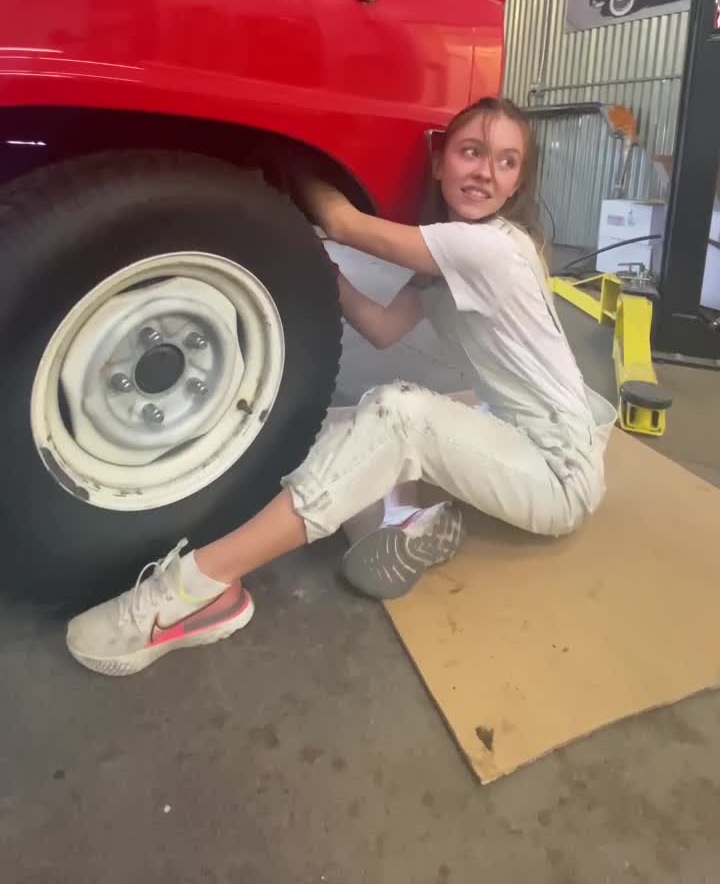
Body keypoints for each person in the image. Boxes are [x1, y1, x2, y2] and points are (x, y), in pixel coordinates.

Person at [66, 97, 616, 676]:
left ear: (517, 183)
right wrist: (324, 272)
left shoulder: (490, 247)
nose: (485, 172)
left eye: (506, 162)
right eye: (471, 152)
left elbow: (343, 224)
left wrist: (287, 145)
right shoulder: (451, 254)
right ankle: (406, 519)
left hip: (559, 472)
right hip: (513, 428)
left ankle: (201, 586)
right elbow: (382, 329)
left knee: (397, 417)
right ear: (440, 162)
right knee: (342, 428)